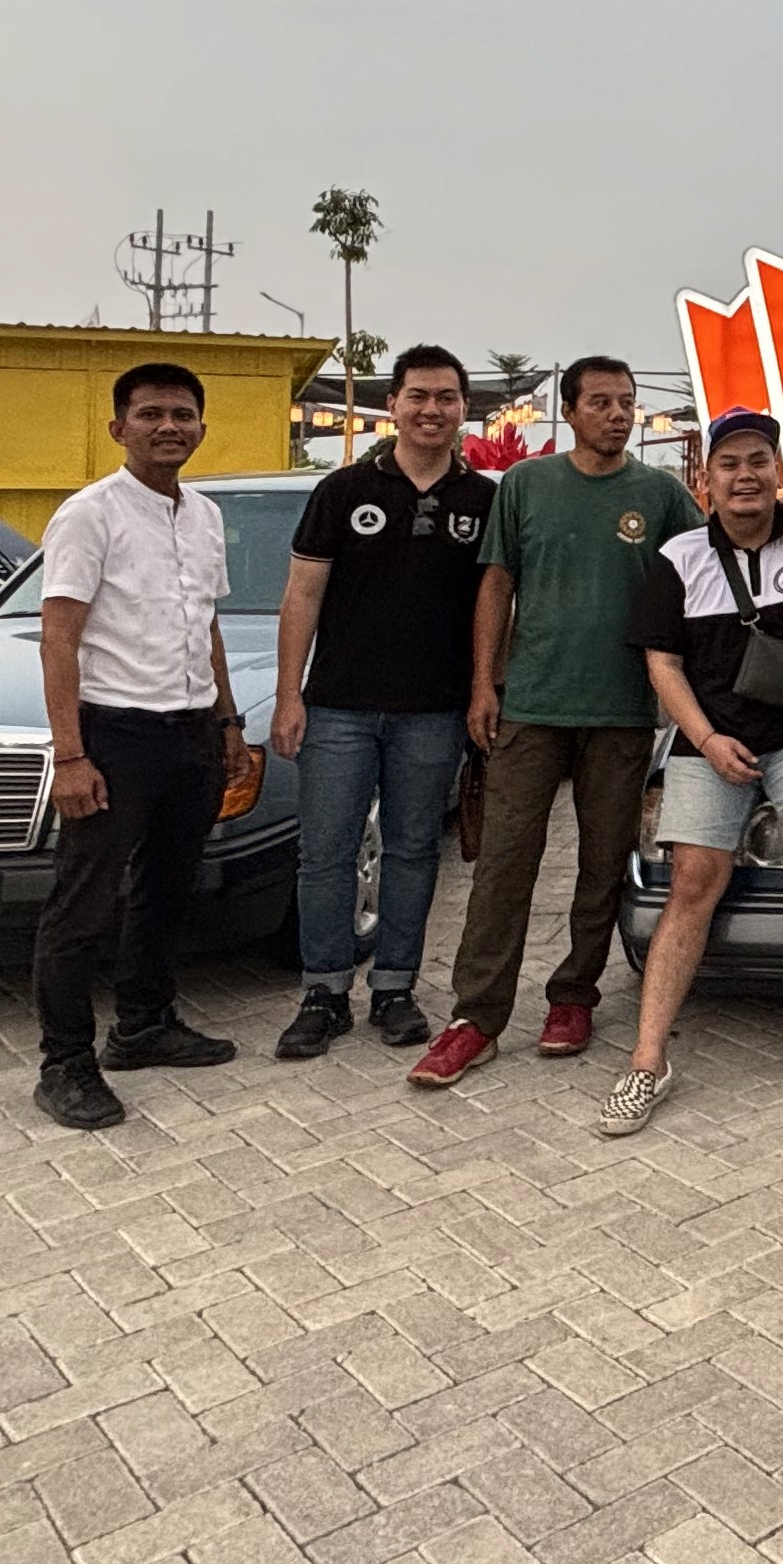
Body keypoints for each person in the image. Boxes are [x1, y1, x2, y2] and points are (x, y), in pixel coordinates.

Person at [414, 357, 700, 1088]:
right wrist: (484, 683)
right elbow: (497, 583)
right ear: (568, 412)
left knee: (602, 865)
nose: (617, 414)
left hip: (622, 711)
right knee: (504, 863)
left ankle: (574, 995)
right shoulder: (526, 485)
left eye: (626, 402)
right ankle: (476, 1018)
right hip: (531, 705)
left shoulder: (661, 495)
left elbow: (714, 560)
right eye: (599, 402)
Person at [600, 409, 783, 1133]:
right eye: (729, 463)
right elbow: (663, 664)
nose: (745, 475)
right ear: (707, 477)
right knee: (692, 880)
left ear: (778, 471)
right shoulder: (679, 557)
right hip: (711, 741)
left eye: (758, 461)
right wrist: (707, 738)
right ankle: (648, 1059)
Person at [29, 361, 242, 1130]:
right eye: (151, 414)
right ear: (119, 428)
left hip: (190, 731)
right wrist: (70, 755)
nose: (168, 427)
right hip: (114, 734)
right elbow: (59, 636)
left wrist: (228, 724)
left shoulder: (205, 516)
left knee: (165, 889)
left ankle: (144, 1026)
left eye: (182, 414)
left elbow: (205, 625)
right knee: (82, 903)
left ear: (201, 427)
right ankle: (65, 1064)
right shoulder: (90, 515)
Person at [267, 344, 489, 1058]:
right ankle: (324, 992)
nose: (431, 409)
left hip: (434, 711)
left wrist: (484, 691)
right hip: (338, 707)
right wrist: (289, 696)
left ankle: (395, 987)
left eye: (446, 397)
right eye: (417, 395)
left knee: (413, 850)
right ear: (392, 405)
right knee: (325, 853)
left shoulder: (483, 500)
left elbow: (494, 607)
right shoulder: (342, 491)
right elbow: (302, 596)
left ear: (463, 408)